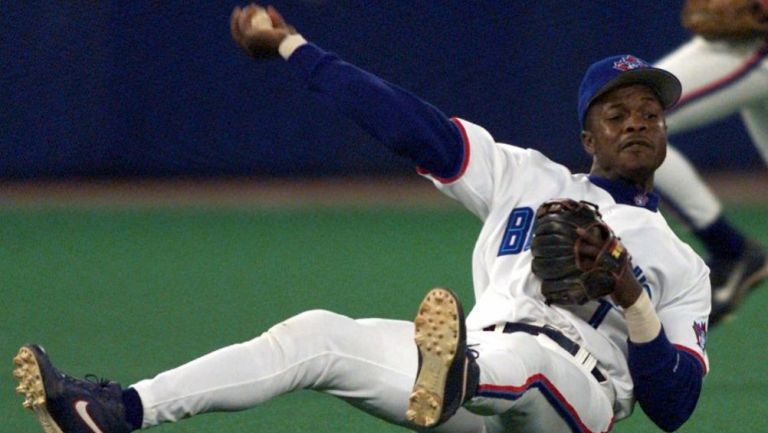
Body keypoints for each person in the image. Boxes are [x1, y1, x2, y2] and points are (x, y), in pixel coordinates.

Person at [13, 4, 710, 433]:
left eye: (651, 112)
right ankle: (115, 411)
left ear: (666, 131)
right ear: (588, 137)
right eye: (616, 114)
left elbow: (674, 407)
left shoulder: (680, 263)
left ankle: (456, 375)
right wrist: (294, 47)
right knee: (316, 336)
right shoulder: (524, 176)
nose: (638, 122)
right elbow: (405, 122)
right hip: (466, 375)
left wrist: (631, 297)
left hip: (573, 396)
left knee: (521, 361)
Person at [652, 0, 768, 325]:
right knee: (629, 116)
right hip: (743, 43)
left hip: (756, 47)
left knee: (633, 117)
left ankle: (732, 252)